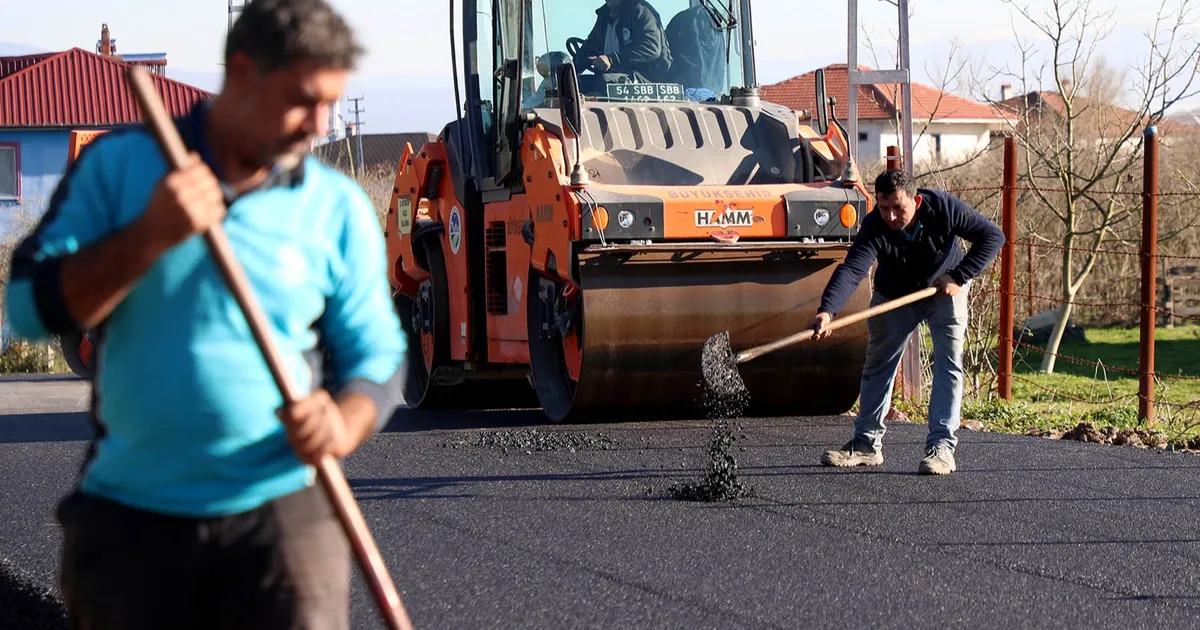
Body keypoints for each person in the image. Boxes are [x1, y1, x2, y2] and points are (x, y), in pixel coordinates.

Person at [3, 0, 406, 627]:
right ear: (242, 74)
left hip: (281, 519)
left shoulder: (335, 207)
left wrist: (346, 420)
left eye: (332, 102)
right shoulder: (119, 168)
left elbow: (376, 358)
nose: (320, 125)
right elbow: (29, 308)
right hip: (132, 524)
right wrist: (147, 238)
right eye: (304, 99)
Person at [810, 169, 1004, 475]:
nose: (890, 216)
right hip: (895, 294)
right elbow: (852, 270)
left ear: (915, 199)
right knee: (878, 365)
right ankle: (865, 444)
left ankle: (941, 448)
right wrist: (828, 310)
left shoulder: (943, 208)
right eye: (884, 207)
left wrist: (959, 275)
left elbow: (993, 237)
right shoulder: (875, 225)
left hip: (944, 288)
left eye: (898, 208)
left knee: (948, 364)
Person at [575, 0, 673, 87]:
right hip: (616, 76)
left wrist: (612, 59)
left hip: (648, 79)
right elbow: (590, 47)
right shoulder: (604, 16)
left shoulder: (640, 10)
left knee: (604, 82)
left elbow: (651, 47)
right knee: (577, 84)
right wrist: (571, 71)